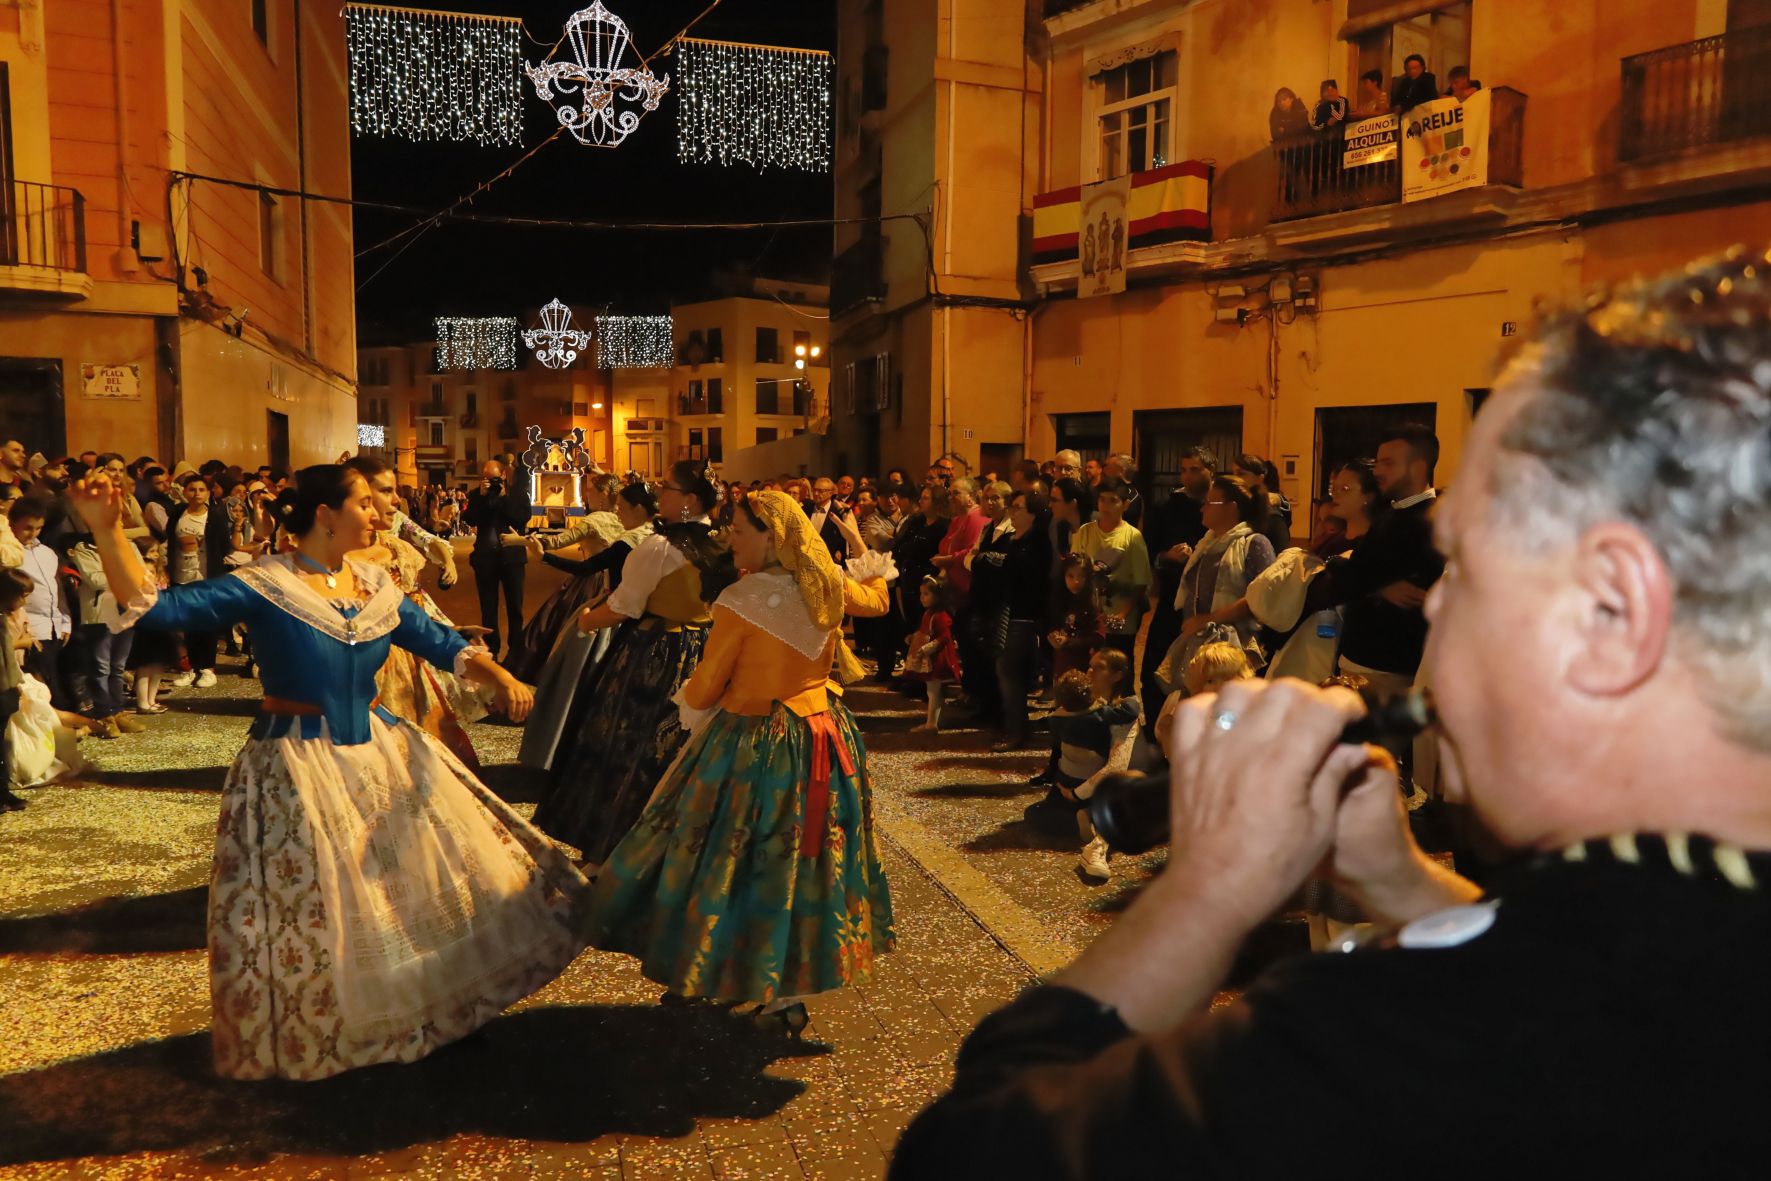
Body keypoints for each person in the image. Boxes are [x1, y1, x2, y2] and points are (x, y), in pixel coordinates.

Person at [898, 248, 1771, 1178]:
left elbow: (971, 1150)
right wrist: (1400, 885)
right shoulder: (1676, 959)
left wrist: (1210, 887)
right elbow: (1607, 953)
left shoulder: (1409, 1053)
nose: (1437, 603)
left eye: (1465, 563)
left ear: (1612, 613)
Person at [68, 465, 587, 1081]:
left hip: (379, 752)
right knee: (321, 908)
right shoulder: (265, 584)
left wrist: (498, 677)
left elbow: (439, 641)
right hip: (294, 762)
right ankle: (328, 1026)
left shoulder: (374, 585)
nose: (377, 513)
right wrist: (107, 530)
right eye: (365, 503)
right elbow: (155, 607)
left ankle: (427, 1009)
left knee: (403, 890)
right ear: (325, 515)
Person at [583, 491, 896, 1031]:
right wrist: (858, 546)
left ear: (773, 537)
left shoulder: (738, 599)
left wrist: (687, 704)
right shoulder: (826, 585)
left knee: (721, 857)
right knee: (803, 863)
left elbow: (706, 687)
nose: (730, 538)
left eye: (740, 530)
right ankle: (781, 989)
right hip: (824, 737)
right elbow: (879, 600)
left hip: (756, 742)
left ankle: (715, 968)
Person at [534, 459, 731, 871]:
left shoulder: (659, 547)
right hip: (700, 650)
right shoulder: (720, 543)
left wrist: (586, 621)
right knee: (678, 749)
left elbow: (624, 606)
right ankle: (666, 851)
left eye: (668, 488)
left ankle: (605, 847)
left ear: (690, 500)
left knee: (622, 745)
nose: (660, 493)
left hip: (654, 653)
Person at [346, 456, 487, 772]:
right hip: (359, 669)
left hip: (404, 662)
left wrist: (455, 632)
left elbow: (415, 609)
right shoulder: (328, 559)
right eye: (385, 491)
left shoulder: (397, 550)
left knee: (422, 764)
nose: (396, 501)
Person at [519, 482, 657, 772]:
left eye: (622, 508)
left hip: (613, 615)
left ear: (639, 509)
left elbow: (586, 567)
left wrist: (543, 556)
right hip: (649, 620)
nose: (618, 513)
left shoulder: (628, 542)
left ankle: (580, 750)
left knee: (584, 681)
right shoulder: (659, 536)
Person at [1160, 474, 1277, 687]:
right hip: (1201, 646)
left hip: (1234, 652)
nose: (1202, 508)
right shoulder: (1207, 545)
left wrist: (1208, 619)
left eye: (1209, 503)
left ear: (1231, 507)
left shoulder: (1254, 543)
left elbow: (1262, 598)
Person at [993, 490, 1054, 751]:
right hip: (1006, 612)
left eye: (1018, 508)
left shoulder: (1038, 542)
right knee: (1005, 671)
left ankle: (1017, 731)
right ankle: (1013, 725)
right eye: (1012, 507)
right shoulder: (1011, 539)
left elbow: (1030, 578)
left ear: (1033, 513)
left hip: (1024, 615)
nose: (1012, 512)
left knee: (1010, 672)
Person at [1069, 479, 1150, 655]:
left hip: (1119, 619)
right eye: (1102, 499)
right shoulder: (1085, 531)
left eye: (1113, 500)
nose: (1105, 505)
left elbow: (1141, 582)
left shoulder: (1132, 537)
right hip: (1088, 618)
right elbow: (1074, 569)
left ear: (1125, 505)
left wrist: (1122, 614)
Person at [463, 459, 531, 665]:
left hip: (512, 559)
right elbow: (470, 519)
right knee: (488, 608)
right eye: (484, 477)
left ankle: (516, 650)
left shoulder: (517, 494)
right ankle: (492, 649)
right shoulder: (477, 495)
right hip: (485, 560)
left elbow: (522, 518)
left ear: (503, 475)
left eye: (492, 477)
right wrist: (483, 499)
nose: (488, 481)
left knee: (515, 607)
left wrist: (503, 499)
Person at [906, 575, 961, 732]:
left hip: (937, 659)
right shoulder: (928, 614)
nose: (922, 598)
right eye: (921, 594)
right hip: (930, 658)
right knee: (934, 690)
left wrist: (926, 648)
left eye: (926, 594)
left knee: (932, 690)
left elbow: (944, 638)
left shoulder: (941, 616)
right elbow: (924, 631)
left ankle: (931, 723)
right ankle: (939, 718)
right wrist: (914, 638)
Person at [0, 567, 34, 810]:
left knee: (3, 744)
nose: (25, 601)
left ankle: (4, 793)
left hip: (6, 687)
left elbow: (8, 660)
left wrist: (16, 683)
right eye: (22, 595)